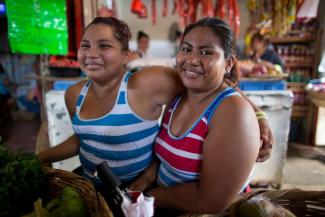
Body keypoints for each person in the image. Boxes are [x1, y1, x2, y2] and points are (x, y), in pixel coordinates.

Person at [37, 16, 272, 198]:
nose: (91, 54)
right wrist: (37, 159)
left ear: (125, 55)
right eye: (85, 45)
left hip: (138, 191)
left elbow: (216, 88)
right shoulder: (73, 95)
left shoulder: (151, 84)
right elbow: (83, 139)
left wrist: (257, 115)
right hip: (93, 187)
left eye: (104, 46)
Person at [129, 17, 261, 215]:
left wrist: (148, 197)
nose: (191, 60)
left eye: (206, 52)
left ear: (228, 63)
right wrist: (143, 181)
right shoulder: (178, 97)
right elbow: (166, 157)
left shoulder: (233, 112)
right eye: (186, 49)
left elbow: (211, 201)